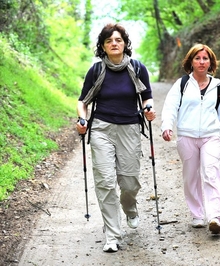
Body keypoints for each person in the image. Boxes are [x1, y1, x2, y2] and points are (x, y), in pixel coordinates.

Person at [76, 23, 156, 252]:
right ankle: (112, 235)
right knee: (105, 183)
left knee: (129, 182)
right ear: (103, 45)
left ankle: (130, 207)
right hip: (101, 129)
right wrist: (82, 120)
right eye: (109, 40)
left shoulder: (138, 68)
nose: (114, 43)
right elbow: (83, 101)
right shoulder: (96, 70)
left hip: (129, 128)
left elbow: (147, 96)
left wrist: (149, 108)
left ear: (125, 43)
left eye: (118, 40)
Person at [161, 44, 220, 235]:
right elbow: (170, 107)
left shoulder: (218, 86)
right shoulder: (182, 84)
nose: (202, 62)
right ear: (190, 61)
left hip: (211, 137)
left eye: (205, 58)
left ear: (211, 62)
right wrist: (167, 125)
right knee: (190, 177)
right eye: (197, 58)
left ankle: (215, 217)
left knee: (211, 173)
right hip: (187, 136)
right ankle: (197, 215)